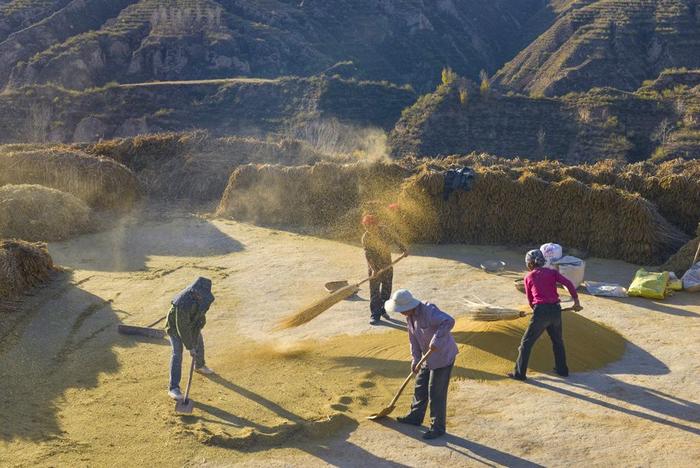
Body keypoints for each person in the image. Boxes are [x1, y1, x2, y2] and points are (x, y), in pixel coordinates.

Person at [385, 289, 458, 439]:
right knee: (420, 386)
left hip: (442, 356)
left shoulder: (429, 310)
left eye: (402, 310)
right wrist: (415, 359)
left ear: (410, 306)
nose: (401, 313)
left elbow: (449, 321)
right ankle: (415, 417)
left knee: (435, 392)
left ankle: (437, 427)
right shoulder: (409, 317)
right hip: (426, 356)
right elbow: (413, 339)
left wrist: (437, 339)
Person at [508, 250, 582, 381]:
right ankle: (562, 370)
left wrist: (537, 311)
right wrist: (576, 301)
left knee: (526, 344)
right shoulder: (552, 273)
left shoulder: (528, 277)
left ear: (530, 263)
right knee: (558, 341)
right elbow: (568, 284)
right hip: (555, 311)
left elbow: (530, 300)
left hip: (541, 312)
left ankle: (519, 374)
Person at [166, 277, 215, 400]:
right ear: (194, 290)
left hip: (193, 323)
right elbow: (182, 327)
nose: (199, 295)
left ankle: (199, 365)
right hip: (175, 327)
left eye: (202, 294)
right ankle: (173, 388)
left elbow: (201, 316)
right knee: (177, 353)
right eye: (198, 293)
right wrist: (190, 347)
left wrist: (197, 331)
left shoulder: (206, 299)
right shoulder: (182, 302)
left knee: (199, 341)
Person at [361, 213, 408, 326]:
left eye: (370, 226)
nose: (368, 229)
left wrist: (403, 249)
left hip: (387, 263)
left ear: (376, 225)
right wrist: (373, 269)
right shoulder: (366, 238)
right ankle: (375, 315)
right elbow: (368, 255)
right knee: (375, 292)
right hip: (374, 267)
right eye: (366, 227)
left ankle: (383, 310)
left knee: (387, 290)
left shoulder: (385, 231)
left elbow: (396, 239)